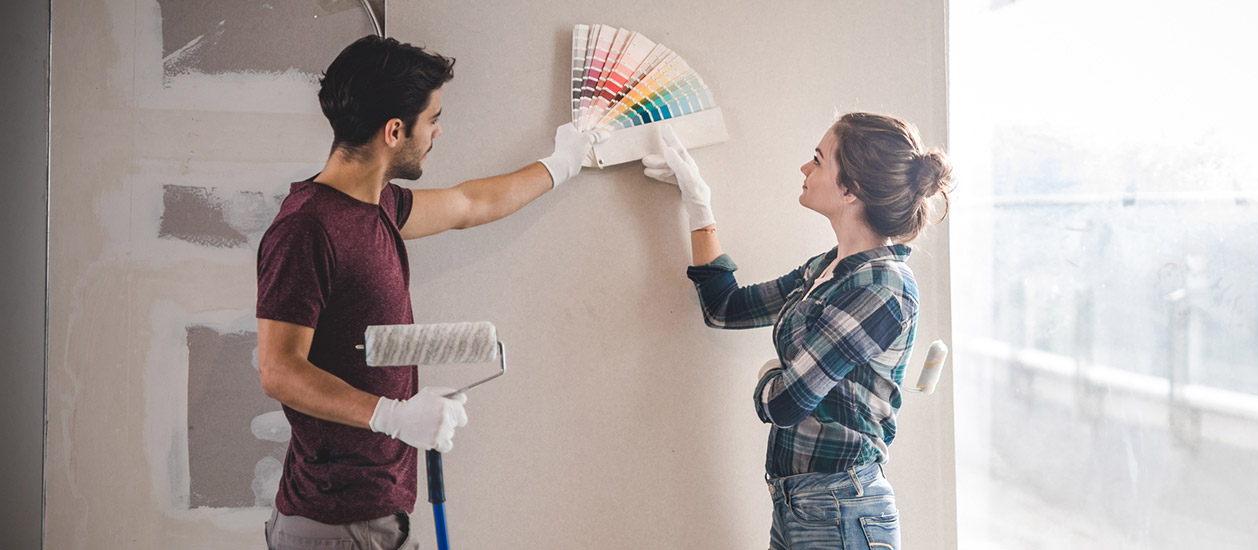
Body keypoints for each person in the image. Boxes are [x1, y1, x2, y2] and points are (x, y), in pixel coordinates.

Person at [255, 35, 604, 550]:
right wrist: (391, 415)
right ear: (395, 131)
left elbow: (469, 203)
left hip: (373, 518)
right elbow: (279, 369)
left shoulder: (378, 207)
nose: (438, 131)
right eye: (432, 118)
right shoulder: (307, 229)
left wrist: (563, 163)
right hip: (333, 528)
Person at [643, 112, 954, 550]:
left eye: (818, 160)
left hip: (842, 507)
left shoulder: (884, 286)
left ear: (851, 190)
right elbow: (725, 308)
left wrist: (768, 377)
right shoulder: (824, 270)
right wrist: (699, 205)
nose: (805, 169)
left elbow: (788, 402)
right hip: (800, 504)